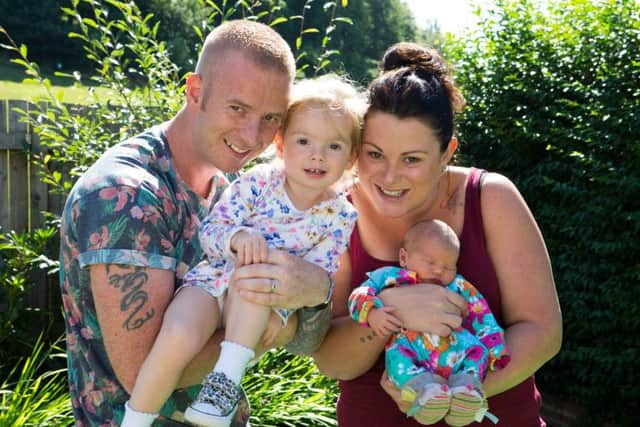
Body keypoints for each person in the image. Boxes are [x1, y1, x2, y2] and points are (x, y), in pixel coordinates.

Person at [59, 20, 336, 427]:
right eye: (237, 108)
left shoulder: (233, 190)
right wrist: (278, 324)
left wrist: (318, 290)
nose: (251, 135)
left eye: (270, 118)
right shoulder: (127, 196)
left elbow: (312, 341)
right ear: (195, 91)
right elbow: (142, 375)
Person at [308, 42, 562, 426]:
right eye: (375, 154)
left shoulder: (490, 197)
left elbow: (542, 331)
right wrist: (392, 310)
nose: (389, 177)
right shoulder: (336, 214)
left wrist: (453, 393)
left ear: (447, 153)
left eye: (411, 159)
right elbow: (329, 359)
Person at [122, 75, 363, 427]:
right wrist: (237, 236)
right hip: (212, 283)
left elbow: (315, 277)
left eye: (334, 146)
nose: (317, 154)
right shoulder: (258, 183)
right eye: (304, 141)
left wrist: (282, 313)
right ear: (281, 145)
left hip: (261, 299)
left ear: (352, 158)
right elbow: (212, 231)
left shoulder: (340, 216)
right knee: (178, 335)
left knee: (256, 279)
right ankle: (135, 420)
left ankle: (221, 392)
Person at [348, 219, 510, 426]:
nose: (439, 271)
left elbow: (481, 313)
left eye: (448, 266)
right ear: (404, 257)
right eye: (431, 262)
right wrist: (371, 313)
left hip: (457, 349)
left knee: (478, 352)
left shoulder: (458, 285)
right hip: (410, 348)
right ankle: (424, 392)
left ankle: (466, 390)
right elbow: (359, 294)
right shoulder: (391, 277)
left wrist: (495, 348)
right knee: (398, 361)